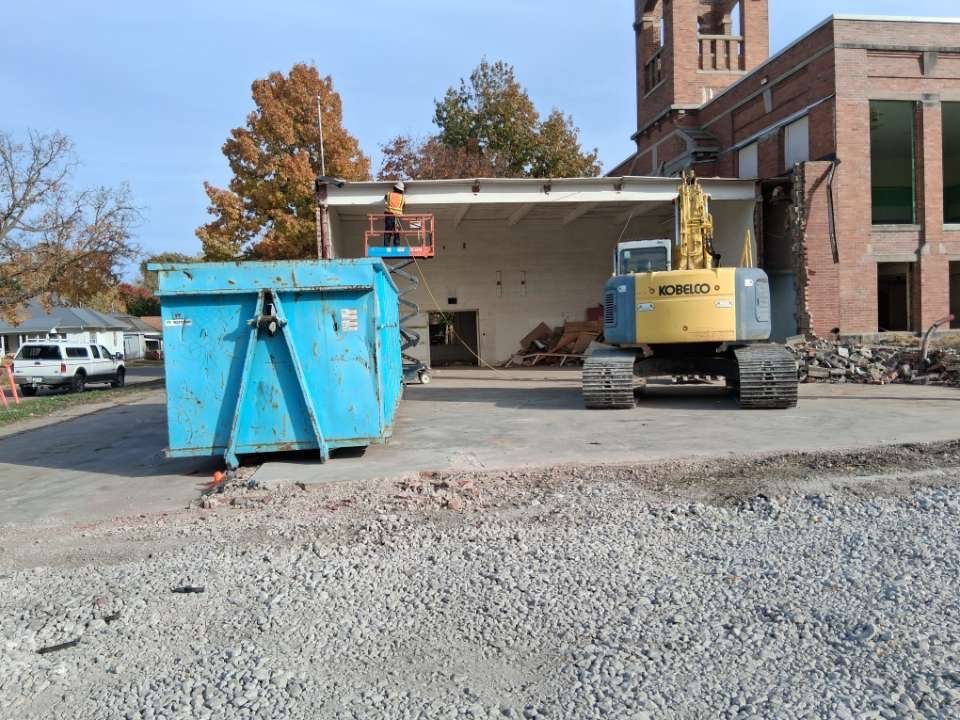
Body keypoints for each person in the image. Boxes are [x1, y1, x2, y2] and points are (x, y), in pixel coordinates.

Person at [384, 181, 405, 247]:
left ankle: (386, 246)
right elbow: (404, 205)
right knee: (397, 231)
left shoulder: (389, 194)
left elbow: (385, 198)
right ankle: (396, 245)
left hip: (389, 215)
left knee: (388, 230)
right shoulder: (403, 197)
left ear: (395, 188)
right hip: (398, 216)